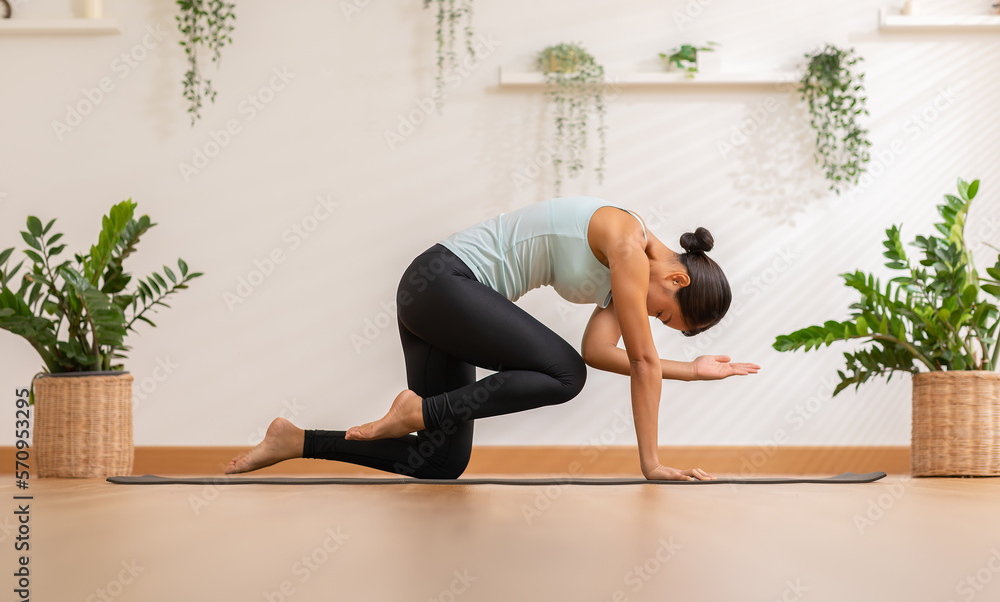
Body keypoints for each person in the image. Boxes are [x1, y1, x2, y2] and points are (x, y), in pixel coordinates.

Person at [225, 196, 759, 481]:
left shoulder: (628, 281)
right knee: (563, 373)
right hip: (441, 283)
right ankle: (416, 413)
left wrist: (692, 369)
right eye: (667, 317)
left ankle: (295, 440)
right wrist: (652, 465)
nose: (654, 321)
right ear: (677, 279)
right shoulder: (626, 240)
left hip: (439, 305)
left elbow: (602, 353)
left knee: (440, 463)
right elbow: (640, 360)